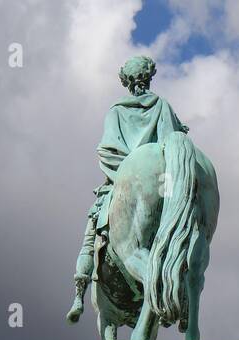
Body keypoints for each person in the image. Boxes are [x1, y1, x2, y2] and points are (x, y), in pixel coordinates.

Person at [66, 54, 190, 323]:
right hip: (163, 184)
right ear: (149, 77)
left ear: (126, 81)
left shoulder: (116, 111)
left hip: (122, 184)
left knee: (89, 240)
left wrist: (124, 176)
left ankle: (79, 295)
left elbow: (107, 151)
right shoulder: (163, 106)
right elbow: (172, 144)